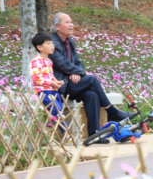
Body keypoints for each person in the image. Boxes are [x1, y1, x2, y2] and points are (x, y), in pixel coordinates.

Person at [48, 12, 129, 144]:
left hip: (74, 83)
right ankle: (111, 111)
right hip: (60, 85)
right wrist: (80, 72)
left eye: (71, 22)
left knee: (91, 95)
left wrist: (78, 72)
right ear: (57, 26)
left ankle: (94, 134)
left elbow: (78, 62)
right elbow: (62, 65)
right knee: (91, 79)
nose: (71, 25)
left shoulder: (71, 42)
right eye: (67, 22)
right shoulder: (52, 43)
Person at [29, 33, 67, 132]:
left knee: (59, 111)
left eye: (52, 43)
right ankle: (66, 133)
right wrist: (51, 83)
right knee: (57, 111)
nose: (52, 45)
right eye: (48, 43)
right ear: (39, 47)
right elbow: (35, 77)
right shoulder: (36, 60)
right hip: (44, 91)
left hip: (53, 90)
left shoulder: (49, 61)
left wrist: (56, 82)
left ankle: (48, 127)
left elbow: (50, 76)